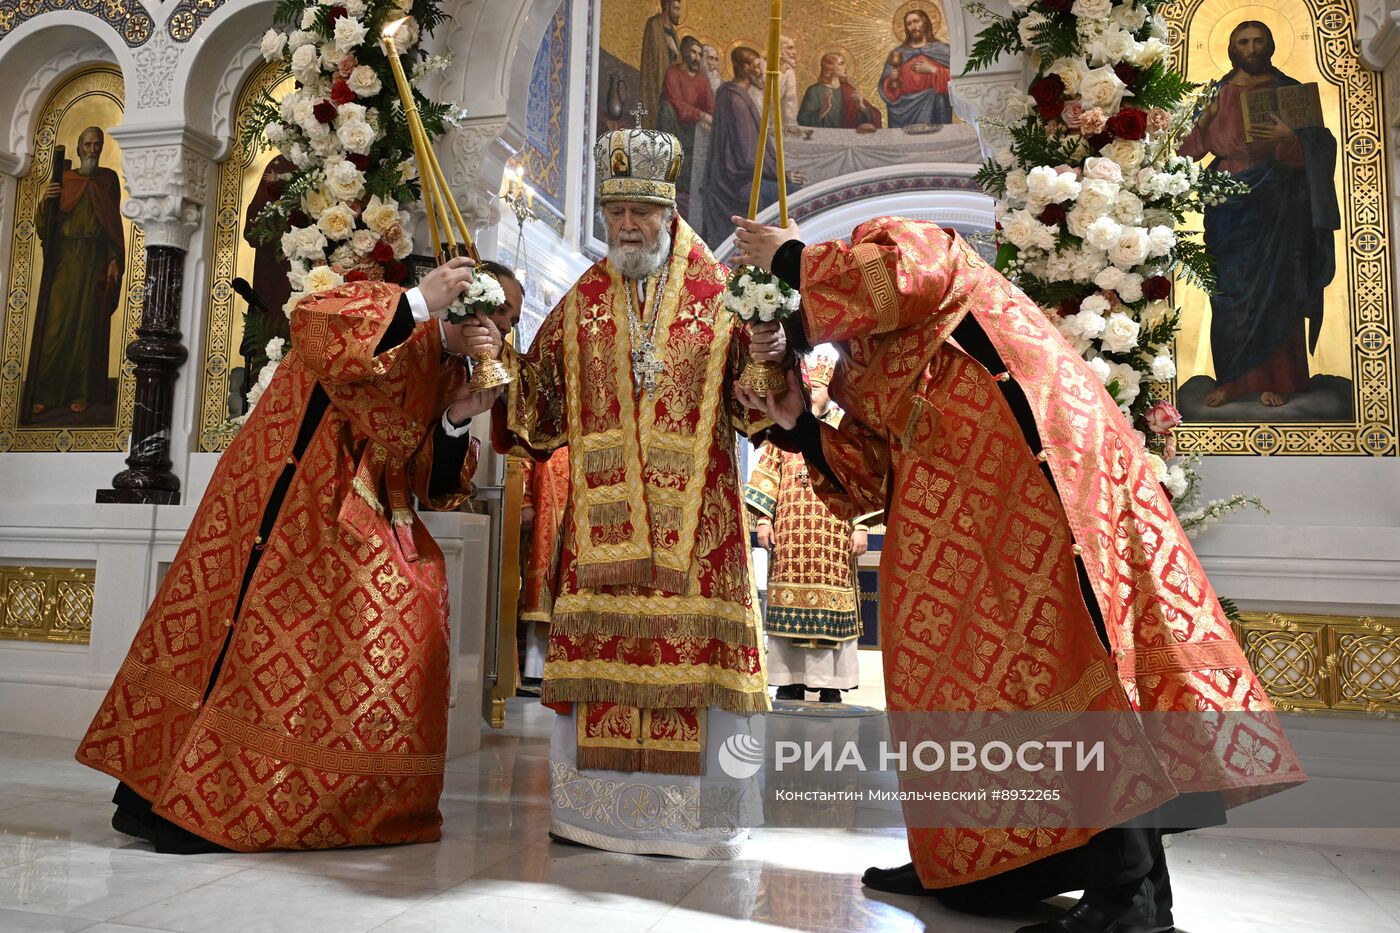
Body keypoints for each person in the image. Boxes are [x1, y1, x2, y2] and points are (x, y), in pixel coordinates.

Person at [731, 214, 1305, 932]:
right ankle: (978, 856)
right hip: (962, 509)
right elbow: (869, 475)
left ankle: (1126, 893)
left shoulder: (910, 241)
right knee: (950, 675)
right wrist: (796, 421)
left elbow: (901, 277)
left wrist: (787, 252)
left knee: (1070, 648)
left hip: (1035, 464)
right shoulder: (860, 361)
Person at [75, 258, 517, 852]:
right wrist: (421, 302)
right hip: (289, 492)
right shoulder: (385, 299)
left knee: (413, 609)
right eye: (496, 311)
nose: (500, 329)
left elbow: (430, 479)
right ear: (466, 297)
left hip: (366, 512)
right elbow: (316, 327)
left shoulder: (451, 372)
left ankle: (327, 792)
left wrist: (460, 413)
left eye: (510, 321)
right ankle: (178, 805)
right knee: (248, 641)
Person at [459, 125, 787, 858]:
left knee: (694, 670)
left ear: (669, 211)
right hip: (602, 536)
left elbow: (756, 404)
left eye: (641, 210)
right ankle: (596, 815)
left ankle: (697, 820)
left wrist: (770, 353)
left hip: (698, 539)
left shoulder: (721, 295)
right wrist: (494, 353)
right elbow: (536, 405)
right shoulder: (583, 301)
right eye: (616, 214)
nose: (629, 226)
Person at [1179, 20, 1338, 409]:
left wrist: (1292, 139)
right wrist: (1205, 116)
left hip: (1279, 200)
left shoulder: (1288, 91)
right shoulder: (1217, 92)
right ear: (1231, 48)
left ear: (1270, 45)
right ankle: (1232, 380)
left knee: (1277, 287)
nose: (1251, 48)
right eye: (1243, 42)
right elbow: (1187, 152)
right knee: (1229, 290)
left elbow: (1322, 144)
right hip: (1226, 203)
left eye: (1258, 41)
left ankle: (1281, 380)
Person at [746, 356, 873, 703]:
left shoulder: (843, 430)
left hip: (833, 539)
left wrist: (860, 526)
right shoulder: (786, 431)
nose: (813, 394)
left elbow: (860, 481)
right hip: (791, 540)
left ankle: (831, 682)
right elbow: (767, 476)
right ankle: (790, 680)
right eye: (810, 388)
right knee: (789, 609)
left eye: (817, 388)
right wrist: (763, 519)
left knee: (833, 611)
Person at [23, 126, 124, 421]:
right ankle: (45, 394)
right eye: (88, 144)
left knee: (86, 328)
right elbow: (45, 229)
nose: (92, 149)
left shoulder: (107, 180)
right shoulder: (64, 180)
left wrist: (114, 258)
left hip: (94, 260)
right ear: (79, 148)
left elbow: (112, 224)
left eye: (97, 144)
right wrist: (46, 202)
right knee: (55, 326)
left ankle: (81, 393)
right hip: (66, 262)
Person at [705, 47, 799, 245]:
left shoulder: (735, 95)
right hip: (736, 183)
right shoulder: (735, 99)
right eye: (757, 66)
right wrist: (781, 176)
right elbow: (747, 157)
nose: (761, 72)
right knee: (792, 192)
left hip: (738, 176)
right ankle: (779, 249)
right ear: (746, 68)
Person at [517, 447, 571, 692]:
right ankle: (536, 668)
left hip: (580, 494)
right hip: (546, 495)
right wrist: (525, 500)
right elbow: (523, 451)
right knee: (543, 571)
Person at [240, 155, 296, 382]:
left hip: (315, 272)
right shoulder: (279, 165)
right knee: (272, 341)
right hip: (276, 274)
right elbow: (253, 228)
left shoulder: (334, 161)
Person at [659, 35, 715, 217]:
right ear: (684, 52)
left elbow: (711, 107)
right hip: (675, 127)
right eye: (693, 52)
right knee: (666, 108)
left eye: (700, 54)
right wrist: (701, 115)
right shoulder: (673, 73)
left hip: (693, 130)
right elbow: (676, 104)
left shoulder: (701, 79)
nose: (697, 57)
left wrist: (707, 118)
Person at [878, 9, 952, 127]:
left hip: (934, 108)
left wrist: (934, 70)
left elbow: (957, 80)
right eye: (909, 24)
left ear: (925, 23)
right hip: (902, 111)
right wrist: (892, 79)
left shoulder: (943, 50)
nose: (913, 26)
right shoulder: (898, 54)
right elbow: (886, 89)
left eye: (916, 21)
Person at [799, 52, 883, 131]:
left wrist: (862, 107)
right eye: (841, 64)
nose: (845, 67)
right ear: (830, 68)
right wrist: (823, 109)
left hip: (846, 139)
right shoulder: (814, 91)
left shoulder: (848, 90)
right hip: (822, 140)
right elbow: (802, 120)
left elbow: (874, 116)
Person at [639, 0, 683, 130]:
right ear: (667, 6)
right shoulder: (653, 25)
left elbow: (680, 65)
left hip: (671, 92)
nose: (678, 13)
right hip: (656, 88)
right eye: (676, 9)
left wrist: (675, 51)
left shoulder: (674, 34)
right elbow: (649, 61)